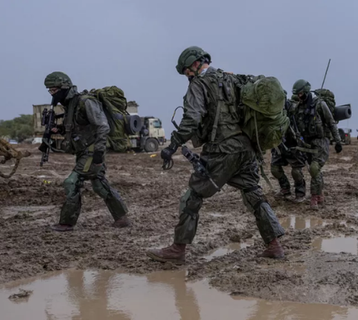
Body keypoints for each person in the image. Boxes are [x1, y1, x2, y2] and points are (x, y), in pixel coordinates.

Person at [147, 46, 286, 264]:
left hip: (222, 151)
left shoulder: (199, 85)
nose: (187, 76)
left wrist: (172, 146)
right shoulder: (232, 79)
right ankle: (274, 245)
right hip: (246, 149)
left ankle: (178, 250)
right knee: (252, 192)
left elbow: (192, 119)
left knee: (192, 197)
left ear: (194, 64)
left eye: (186, 72)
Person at [42, 72, 131, 232]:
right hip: (83, 152)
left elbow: (103, 126)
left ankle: (66, 223)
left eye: (54, 90)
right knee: (99, 185)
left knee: (72, 182)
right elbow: (79, 128)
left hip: (92, 151)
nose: (52, 94)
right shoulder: (70, 105)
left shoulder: (85, 102)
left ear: (64, 87)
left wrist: (98, 152)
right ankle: (122, 218)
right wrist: (60, 129)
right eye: (50, 91)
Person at [290, 79, 342, 209]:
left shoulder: (319, 105)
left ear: (306, 92)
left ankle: (314, 198)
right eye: (297, 94)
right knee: (313, 170)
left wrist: (337, 141)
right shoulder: (298, 108)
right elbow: (295, 125)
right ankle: (320, 194)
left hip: (321, 141)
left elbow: (331, 122)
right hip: (306, 143)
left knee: (314, 168)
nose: (299, 96)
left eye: (301, 93)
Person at [270, 94, 307, 202]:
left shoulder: (294, 111)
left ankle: (300, 193)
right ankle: (285, 188)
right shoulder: (272, 111)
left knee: (296, 171)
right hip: (279, 144)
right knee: (275, 168)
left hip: (293, 144)